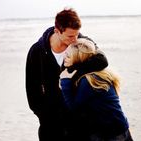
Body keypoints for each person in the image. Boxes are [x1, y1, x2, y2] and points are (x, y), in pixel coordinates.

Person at [25, 8, 108, 141]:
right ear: (57, 31)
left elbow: (102, 60)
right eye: (70, 36)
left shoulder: (81, 43)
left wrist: (73, 72)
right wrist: (43, 115)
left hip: (78, 120)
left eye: (77, 34)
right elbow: (31, 88)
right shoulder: (37, 51)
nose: (75, 39)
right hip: (50, 122)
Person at [60, 38, 133, 141]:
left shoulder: (88, 80)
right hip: (117, 126)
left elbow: (74, 109)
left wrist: (65, 82)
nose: (64, 57)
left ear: (78, 58)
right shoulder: (97, 73)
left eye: (68, 55)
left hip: (111, 133)